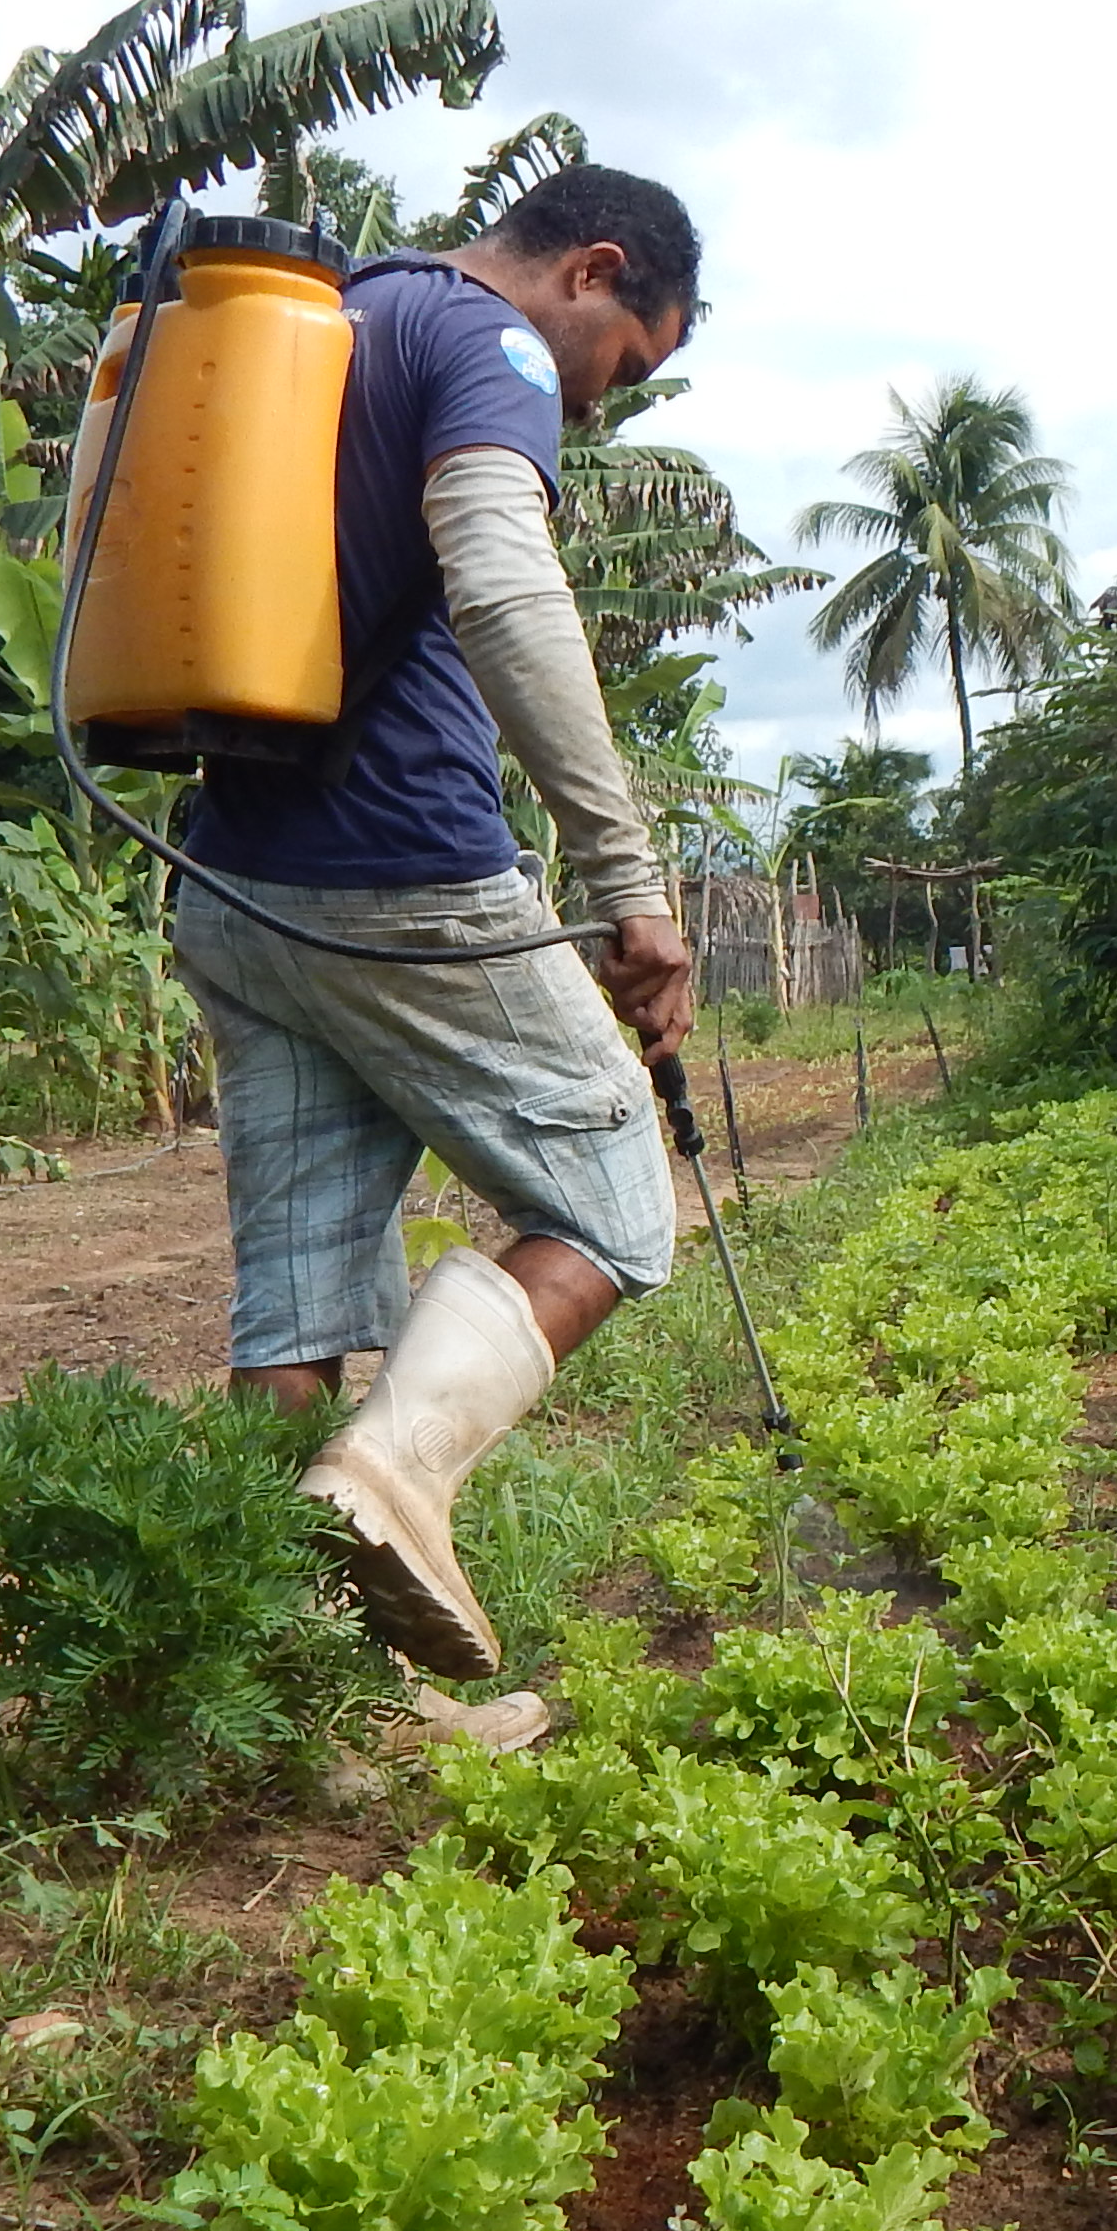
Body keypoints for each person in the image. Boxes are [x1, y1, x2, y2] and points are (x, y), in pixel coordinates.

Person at [166, 164, 705, 1751]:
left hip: (235, 887)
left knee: (296, 1303)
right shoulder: (497, 346)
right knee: (615, 1196)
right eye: (633, 362)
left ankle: (313, 1714)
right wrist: (627, 876)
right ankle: (389, 1478)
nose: (607, 403)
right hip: (399, 872)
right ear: (593, 273)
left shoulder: (333, 324)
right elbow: (503, 579)